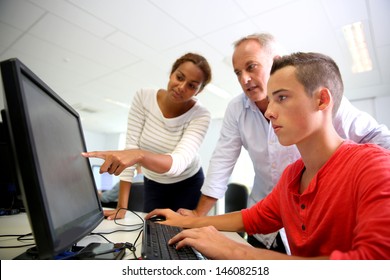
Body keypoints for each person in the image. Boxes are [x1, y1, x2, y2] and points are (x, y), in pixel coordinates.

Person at [146, 52, 390, 260]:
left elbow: (373, 263)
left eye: (282, 98)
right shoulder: (292, 176)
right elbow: (253, 217)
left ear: (322, 100)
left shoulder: (373, 166)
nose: (270, 112)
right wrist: (187, 221)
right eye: (271, 100)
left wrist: (234, 250)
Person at [83, 52, 212, 219]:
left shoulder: (200, 115)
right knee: (152, 229)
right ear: (171, 73)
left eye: (192, 86)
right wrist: (122, 207)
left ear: (198, 91)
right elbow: (131, 150)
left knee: (182, 233)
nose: (182, 87)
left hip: (188, 182)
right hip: (154, 182)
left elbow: (178, 163)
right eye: (179, 77)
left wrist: (139, 155)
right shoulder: (144, 98)